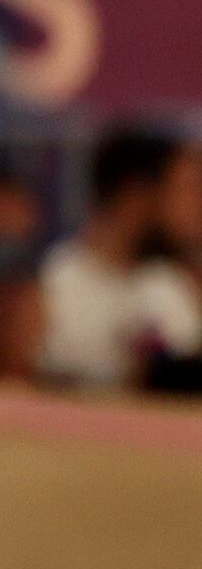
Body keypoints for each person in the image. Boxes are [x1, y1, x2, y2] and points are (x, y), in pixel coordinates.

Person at [36, 126, 202, 393]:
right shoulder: (52, 283)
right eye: (184, 190)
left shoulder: (170, 286)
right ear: (135, 196)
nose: (196, 209)